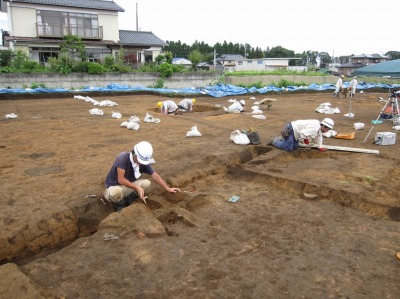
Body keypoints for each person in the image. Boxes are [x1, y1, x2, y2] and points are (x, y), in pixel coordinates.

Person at [104, 141, 180, 211]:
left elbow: (155, 175)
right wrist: (137, 187)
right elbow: (121, 180)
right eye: (140, 160)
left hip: (126, 187)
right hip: (113, 187)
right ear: (135, 154)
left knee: (147, 183)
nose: (141, 163)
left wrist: (168, 188)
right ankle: (120, 207)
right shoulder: (123, 158)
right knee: (116, 192)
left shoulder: (143, 163)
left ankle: (128, 201)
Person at [267, 118, 334, 152]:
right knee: (288, 148)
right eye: (328, 129)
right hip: (291, 129)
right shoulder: (315, 128)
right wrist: (305, 139)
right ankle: (274, 141)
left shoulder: (319, 126)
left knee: (295, 147)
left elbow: (319, 136)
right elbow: (302, 133)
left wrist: (320, 147)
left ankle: (283, 139)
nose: (327, 131)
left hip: (295, 131)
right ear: (324, 126)